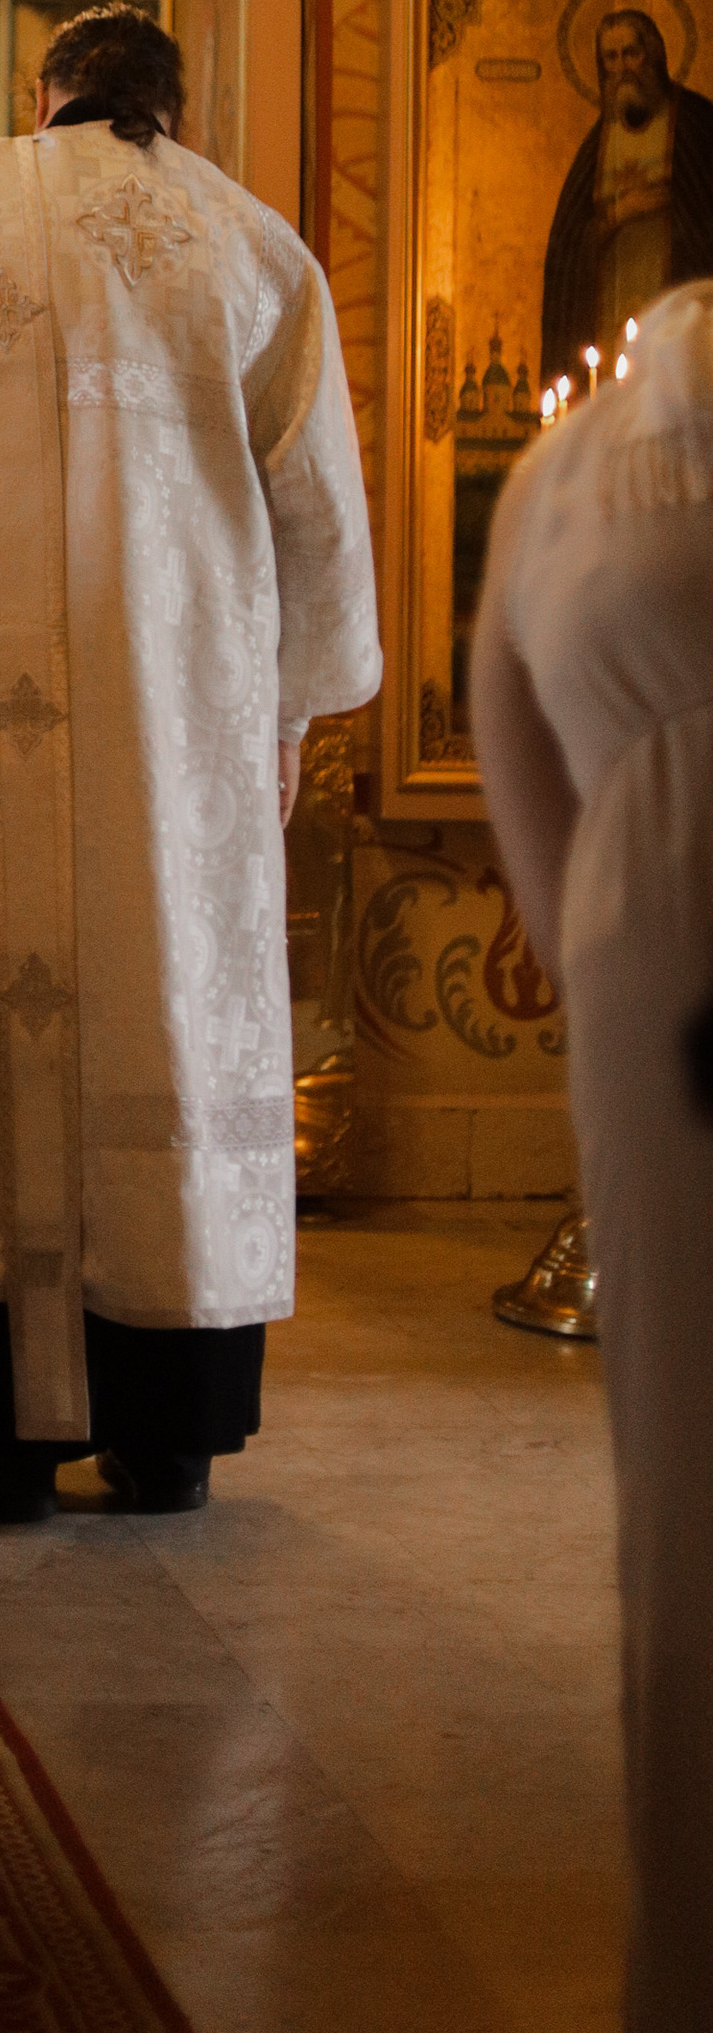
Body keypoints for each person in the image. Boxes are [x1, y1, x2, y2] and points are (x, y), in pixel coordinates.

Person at [0, 5, 379, 1521]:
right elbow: (321, 515)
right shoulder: (257, 246)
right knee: (162, 1012)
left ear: (46, 96)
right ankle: (166, 1425)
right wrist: (288, 715)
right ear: (171, 110)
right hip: (172, 718)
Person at [473, 282, 713, 2033]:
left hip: (651, 941)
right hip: (649, 949)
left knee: (687, 1462)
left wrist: (612, 961)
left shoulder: (567, 469)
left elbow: (521, 783)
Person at [541, 7, 713, 382]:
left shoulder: (697, 125)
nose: (623, 67)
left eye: (632, 53)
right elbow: (567, 248)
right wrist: (620, 214)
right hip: (609, 310)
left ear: (654, 55)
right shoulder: (596, 145)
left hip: (678, 303)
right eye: (611, 57)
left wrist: (670, 207)